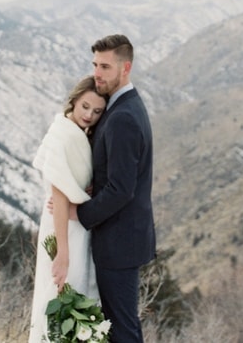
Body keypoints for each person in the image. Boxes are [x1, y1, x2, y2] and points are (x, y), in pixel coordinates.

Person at [71, 34, 155, 343]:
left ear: (126, 67)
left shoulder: (123, 117)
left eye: (105, 66)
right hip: (121, 237)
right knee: (120, 324)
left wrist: (79, 213)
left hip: (120, 240)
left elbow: (121, 189)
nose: (97, 73)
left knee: (122, 329)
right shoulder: (123, 107)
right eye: (95, 64)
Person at [28, 76, 107, 343]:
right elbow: (59, 198)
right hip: (64, 228)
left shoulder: (76, 134)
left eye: (97, 111)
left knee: (75, 297)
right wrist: (62, 253)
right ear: (73, 101)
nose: (89, 115)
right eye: (85, 106)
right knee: (61, 293)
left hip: (76, 226)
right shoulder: (64, 135)